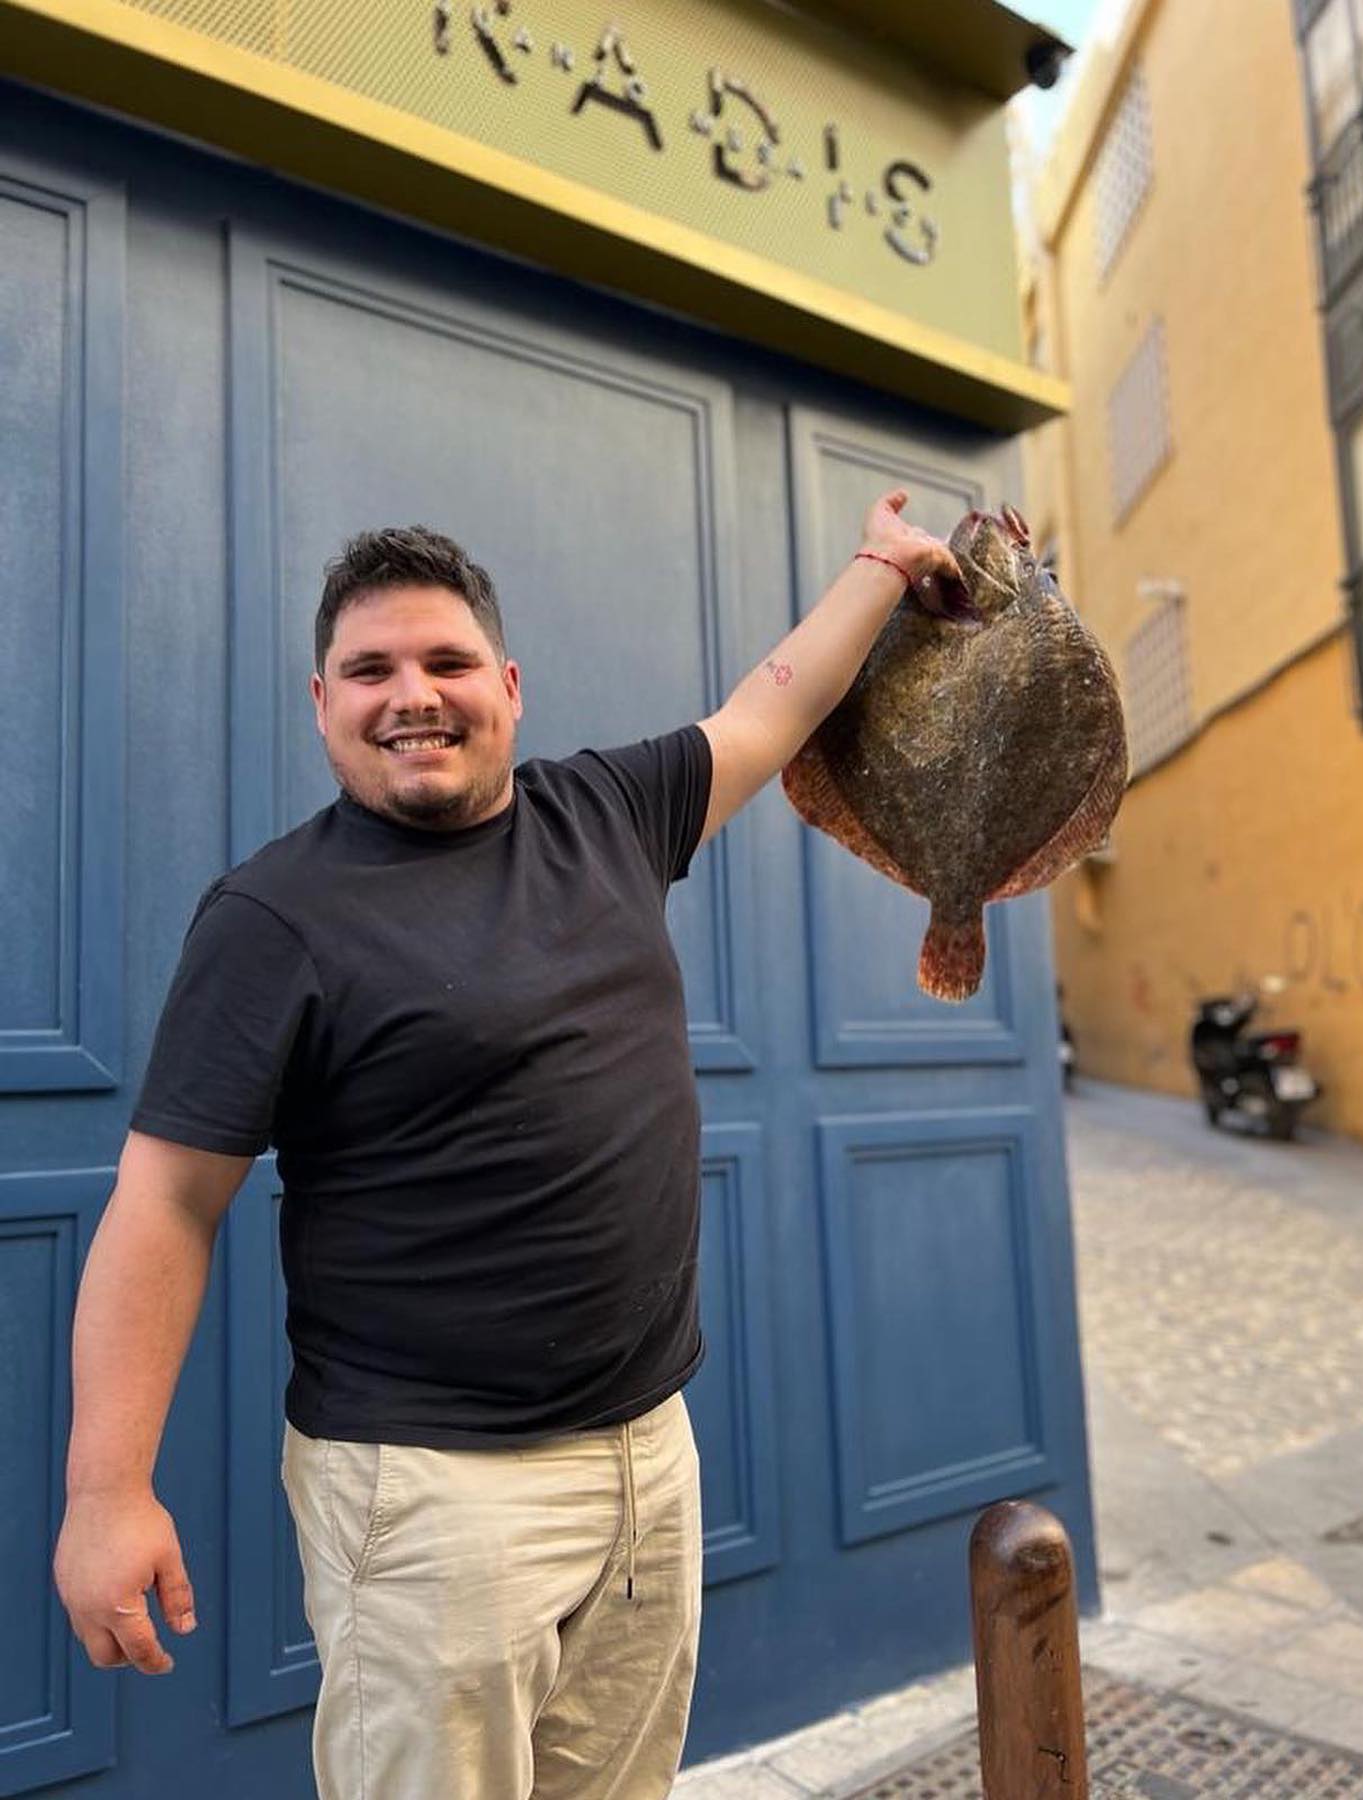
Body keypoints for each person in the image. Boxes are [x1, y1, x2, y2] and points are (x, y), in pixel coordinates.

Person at [53, 489, 963, 1800]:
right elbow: (165, 1205)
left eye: (445, 661)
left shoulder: (609, 813)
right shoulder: (272, 918)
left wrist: (879, 567)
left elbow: (773, 707)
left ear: (509, 686)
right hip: (428, 1494)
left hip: (647, 1454)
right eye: (370, 670)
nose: (410, 694)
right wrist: (106, 1493)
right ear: (322, 704)